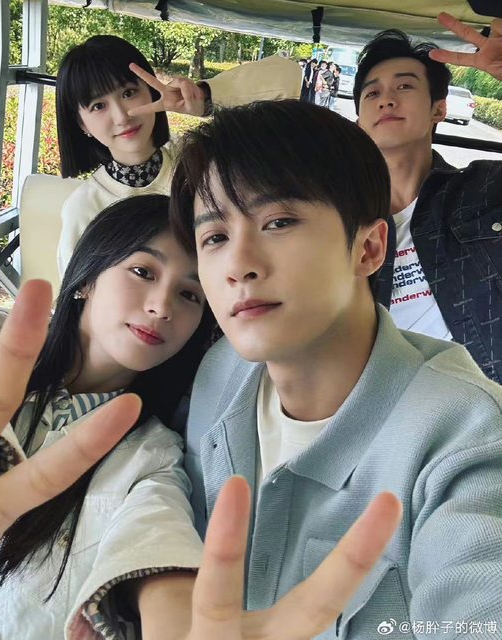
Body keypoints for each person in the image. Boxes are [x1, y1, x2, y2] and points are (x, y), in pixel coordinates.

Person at [136, 99, 502, 639]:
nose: (238, 265)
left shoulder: (466, 436)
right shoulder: (221, 373)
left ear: (369, 248)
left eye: (279, 222)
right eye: (215, 237)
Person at [0, 194, 217, 639]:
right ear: (87, 278)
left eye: (189, 294)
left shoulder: (153, 456)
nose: (162, 306)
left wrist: (173, 610)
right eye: (143, 272)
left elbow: (156, 537)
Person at [56, 35, 301, 275]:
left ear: (150, 90)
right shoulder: (85, 208)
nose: (122, 116)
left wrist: (205, 98)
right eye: (98, 106)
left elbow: (288, 75)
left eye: (129, 93)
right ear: (81, 124)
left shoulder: (196, 156)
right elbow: (75, 293)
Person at [353, 12, 502, 382]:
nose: (386, 100)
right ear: (358, 119)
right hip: (381, 404)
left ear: (439, 108)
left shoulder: (487, 187)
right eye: (372, 93)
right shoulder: (334, 218)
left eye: (404, 86)